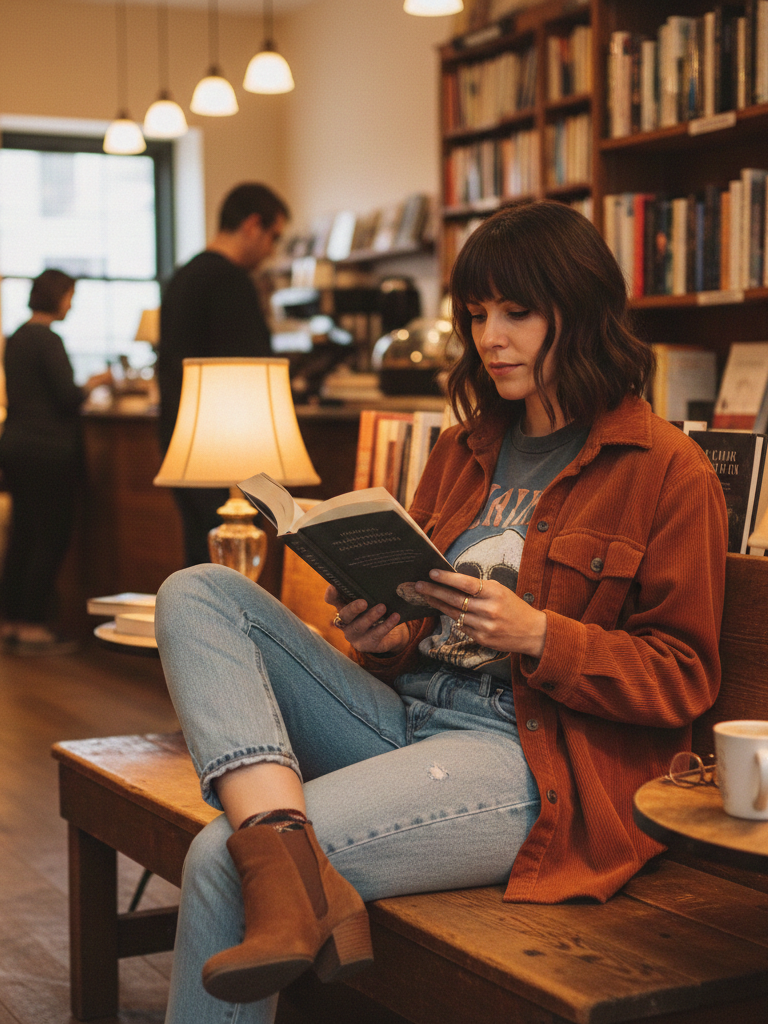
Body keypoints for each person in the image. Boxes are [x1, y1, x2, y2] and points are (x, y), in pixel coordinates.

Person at [154, 199, 728, 1024]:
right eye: (476, 314)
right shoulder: (465, 448)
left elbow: (685, 680)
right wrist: (381, 638)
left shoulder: (668, 471)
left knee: (219, 855)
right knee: (197, 590)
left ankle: (280, 869)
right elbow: (418, 629)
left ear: (584, 307)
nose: (490, 337)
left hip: (530, 762)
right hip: (404, 716)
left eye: (517, 313)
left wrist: (540, 635)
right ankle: (285, 844)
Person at [157, 182, 290, 567]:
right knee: (232, 560)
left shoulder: (182, 276)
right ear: (252, 225)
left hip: (181, 438)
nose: (271, 250)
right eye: (273, 237)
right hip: (226, 445)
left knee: (200, 553)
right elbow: (250, 369)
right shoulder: (230, 280)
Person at [0, 269, 112, 654]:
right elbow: (67, 397)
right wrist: (96, 383)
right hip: (48, 450)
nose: (72, 303)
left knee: (23, 536)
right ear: (57, 295)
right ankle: (34, 626)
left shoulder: (15, 338)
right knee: (51, 535)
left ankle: (11, 621)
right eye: (69, 295)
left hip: (14, 446)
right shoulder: (48, 339)